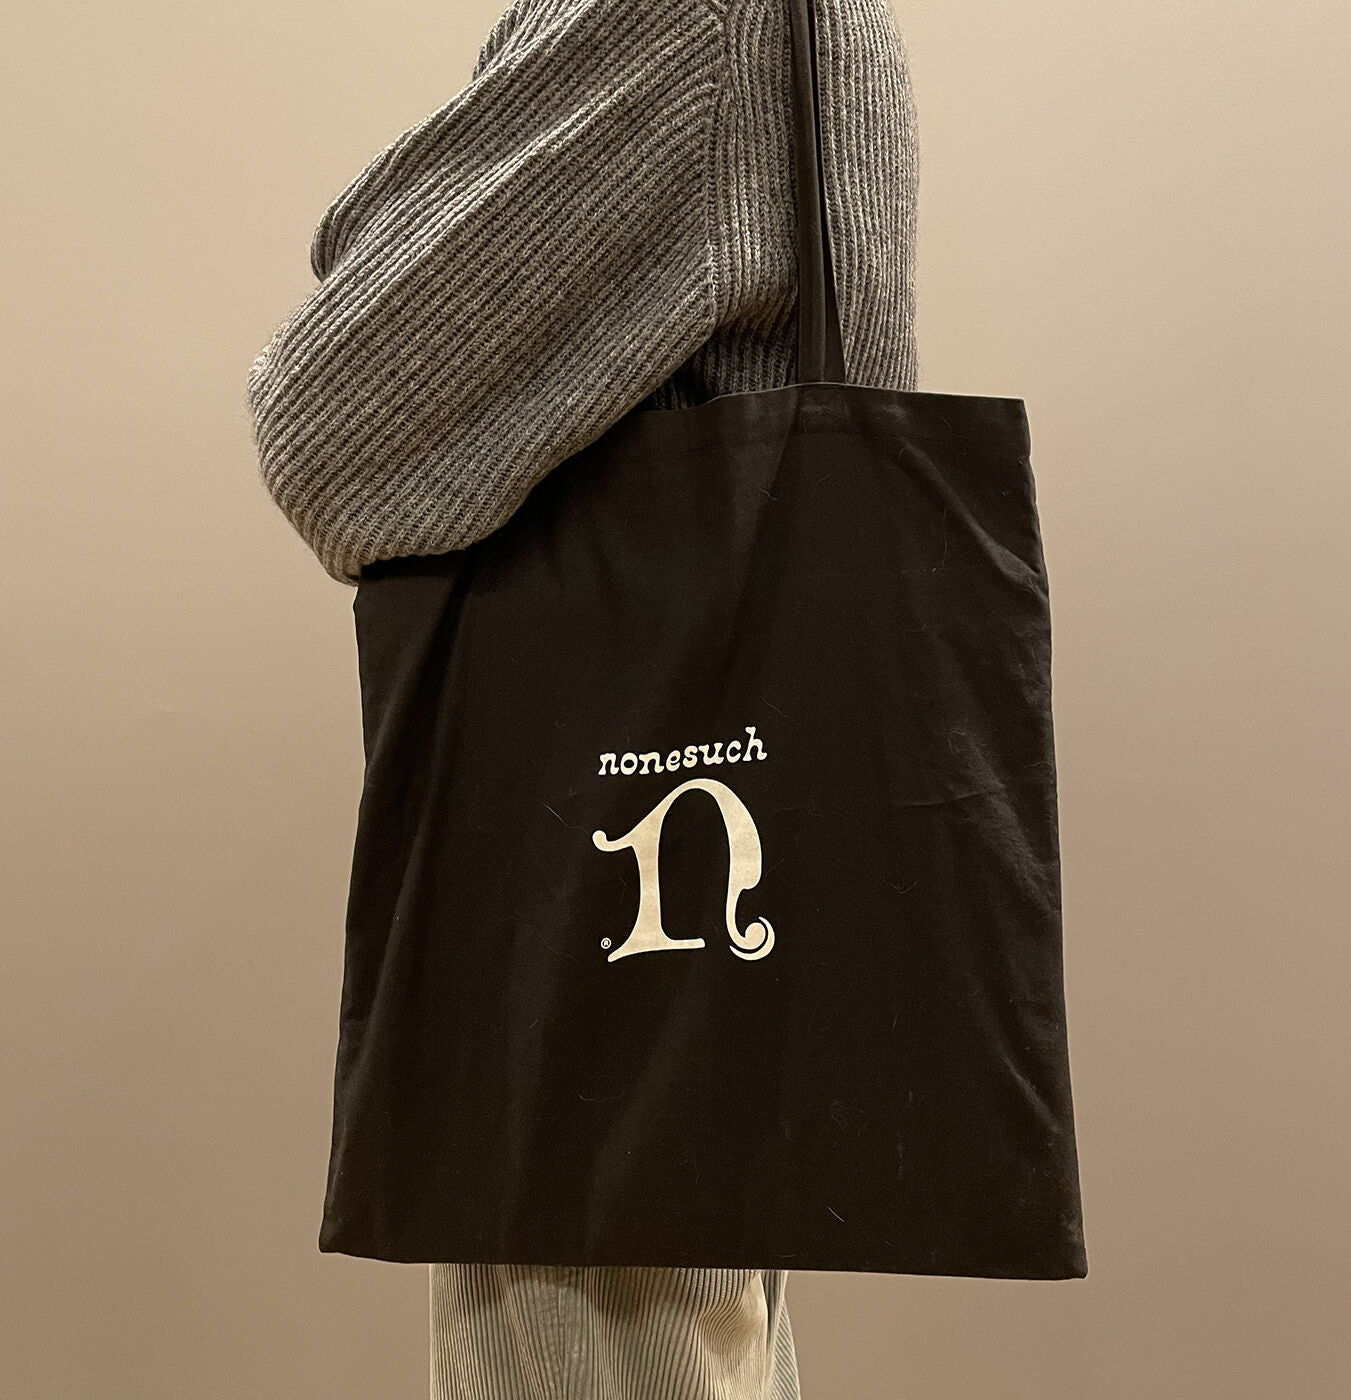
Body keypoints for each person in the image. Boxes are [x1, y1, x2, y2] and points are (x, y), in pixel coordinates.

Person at [246, 0, 919, 1394]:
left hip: (593, 995)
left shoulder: (692, 21)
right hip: (698, 964)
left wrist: (385, 222)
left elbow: (326, 427)